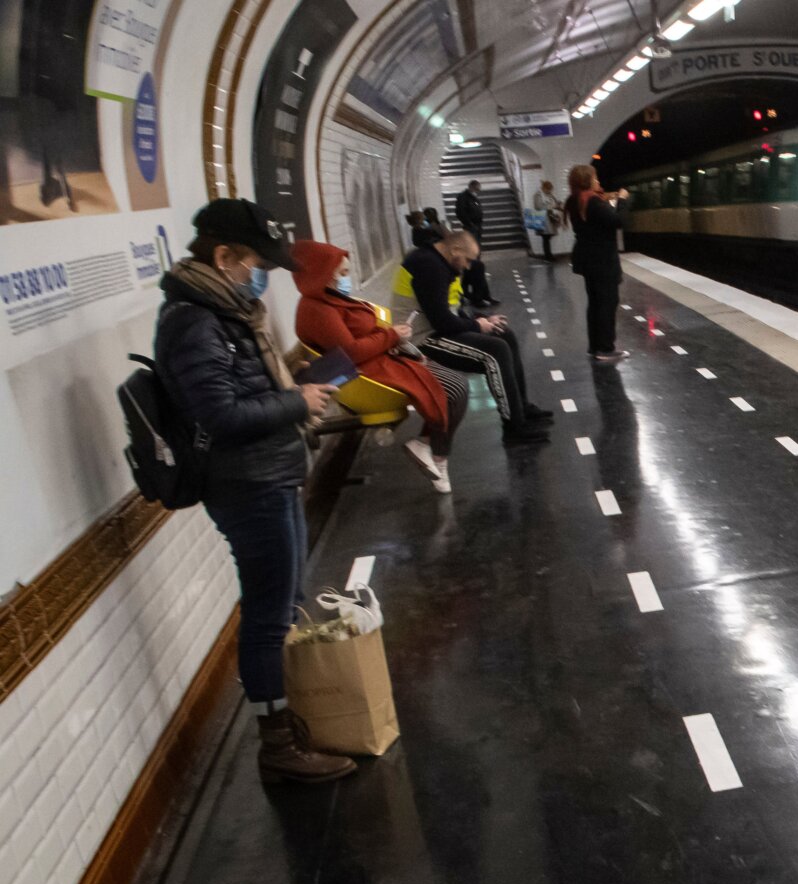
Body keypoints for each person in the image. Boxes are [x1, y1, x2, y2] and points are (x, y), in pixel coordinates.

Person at [153, 199, 355, 784]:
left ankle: (296, 720)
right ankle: (278, 747)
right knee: (268, 615)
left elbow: (239, 393)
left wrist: (297, 391)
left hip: (269, 473)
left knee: (284, 601)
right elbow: (219, 415)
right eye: (255, 263)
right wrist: (296, 401)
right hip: (248, 483)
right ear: (224, 256)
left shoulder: (226, 311)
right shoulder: (194, 321)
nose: (260, 274)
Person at [291, 239, 468, 493]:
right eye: (342, 273)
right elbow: (351, 352)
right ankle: (433, 452)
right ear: (322, 274)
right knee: (455, 389)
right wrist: (391, 335)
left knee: (457, 387)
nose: (347, 279)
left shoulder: (329, 300)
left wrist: (392, 338)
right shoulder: (317, 310)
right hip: (371, 372)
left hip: (382, 360)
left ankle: (428, 447)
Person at [395, 229, 551, 443]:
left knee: (504, 334)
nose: (468, 266)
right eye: (467, 260)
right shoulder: (428, 266)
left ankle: (521, 408)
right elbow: (442, 322)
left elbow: (451, 311)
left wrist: (483, 320)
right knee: (495, 350)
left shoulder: (439, 262)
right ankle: (514, 427)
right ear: (455, 249)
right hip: (419, 340)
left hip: (436, 330)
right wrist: (477, 325)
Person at [566, 164, 630, 362]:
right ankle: (605, 349)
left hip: (587, 259)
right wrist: (622, 200)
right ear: (587, 181)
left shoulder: (574, 200)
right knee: (607, 303)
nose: (598, 181)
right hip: (602, 260)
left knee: (595, 303)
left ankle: (595, 346)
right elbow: (618, 221)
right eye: (595, 178)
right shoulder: (593, 201)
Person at [453, 180, 498, 308]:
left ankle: (468, 292)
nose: (479, 190)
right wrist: (470, 224)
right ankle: (478, 296)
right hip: (471, 229)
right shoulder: (463, 197)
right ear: (472, 186)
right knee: (475, 264)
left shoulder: (473, 197)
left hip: (476, 229)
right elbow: (460, 213)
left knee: (474, 265)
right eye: (477, 188)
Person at [532, 179, 564, 261]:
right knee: (545, 238)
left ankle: (548, 255)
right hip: (542, 219)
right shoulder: (538, 195)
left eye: (550, 190)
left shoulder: (549, 195)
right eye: (548, 189)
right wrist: (552, 206)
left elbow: (552, 203)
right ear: (544, 188)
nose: (549, 191)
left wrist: (557, 205)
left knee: (547, 237)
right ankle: (548, 256)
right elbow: (538, 207)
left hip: (549, 218)